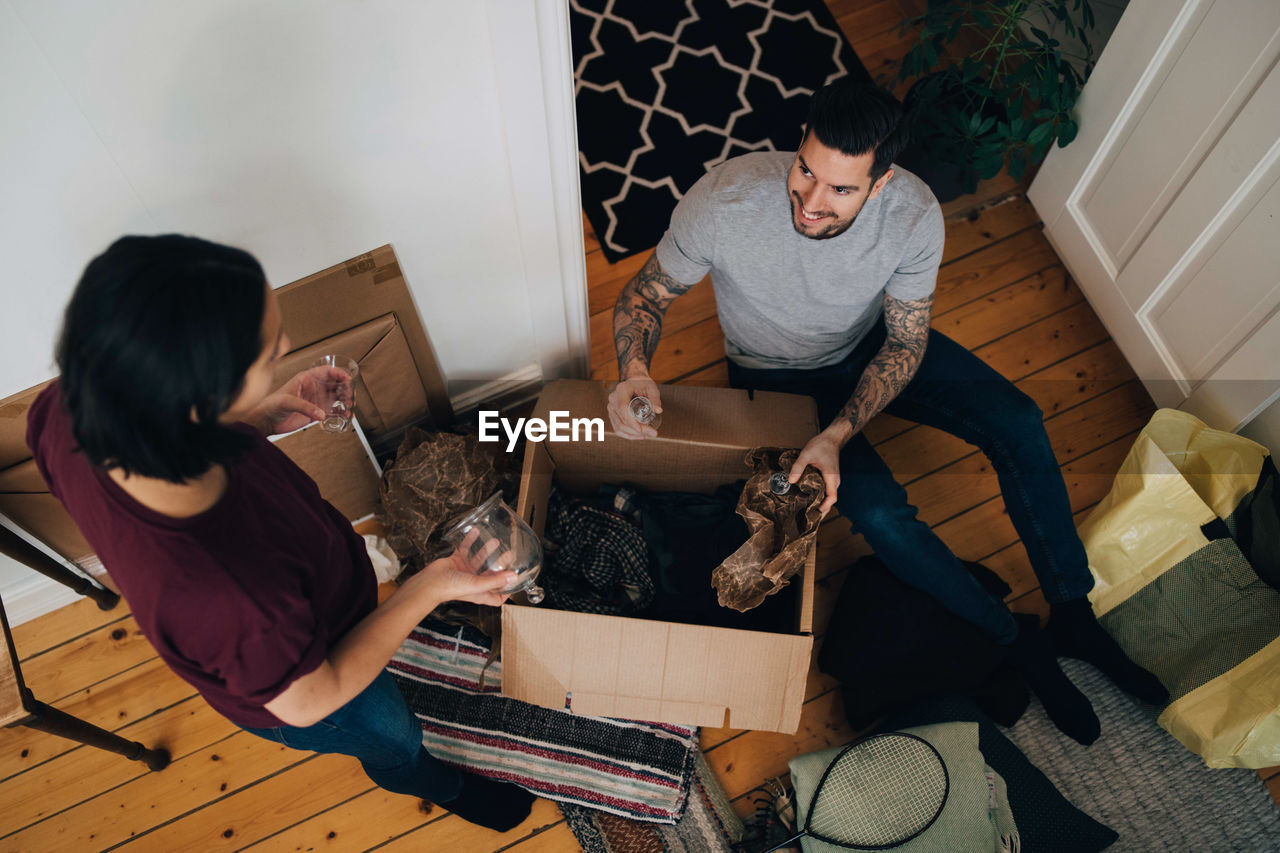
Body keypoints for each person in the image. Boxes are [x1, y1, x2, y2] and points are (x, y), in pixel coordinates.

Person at [605, 80, 1168, 745]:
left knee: (1018, 419)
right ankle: (1014, 638)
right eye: (805, 170)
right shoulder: (725, 200)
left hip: (873, 344)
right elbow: (646, 295)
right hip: (772, 376)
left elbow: (906, 339)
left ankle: (1073, 610)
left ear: (880, 183)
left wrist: (840, 431)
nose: (810, 203)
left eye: (840, 189)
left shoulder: (913, 214)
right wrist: (634, 370)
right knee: (878, 513)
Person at [27, 235, 535, 831]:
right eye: (268, 350)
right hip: (311, 683)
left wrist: (257, 416)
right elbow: (315, 697)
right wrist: (432, 586)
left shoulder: (63, 412)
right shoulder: (232, 599)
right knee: (395, 737)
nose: (287, 346)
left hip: (300, 613)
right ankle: (440, 786)